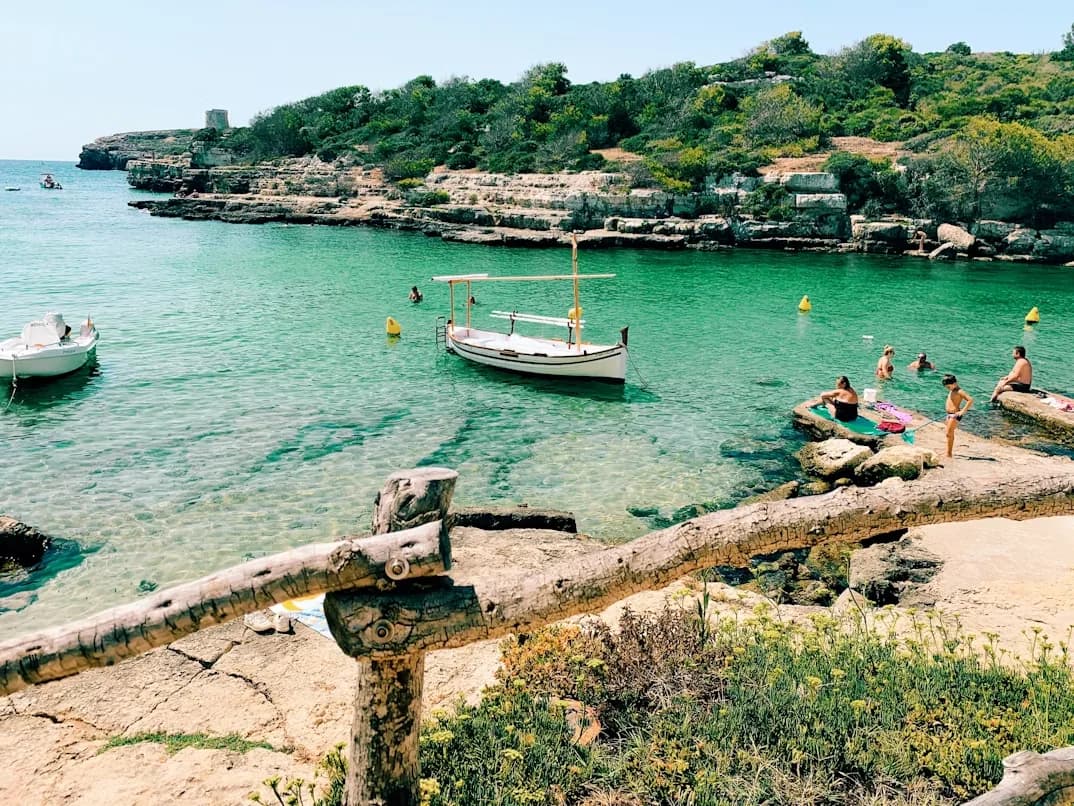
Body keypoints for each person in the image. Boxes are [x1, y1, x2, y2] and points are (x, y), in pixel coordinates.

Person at [943, 374, 974, 458]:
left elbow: (970, 400)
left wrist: (963, 411)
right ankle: (948, 452)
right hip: (949, 414)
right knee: (949, 434)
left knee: (949, 433)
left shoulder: (959, 391)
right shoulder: (952, 390)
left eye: (949, 387)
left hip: (955, 415)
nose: (948, 388)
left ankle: (949, 454)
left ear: (955, 383)